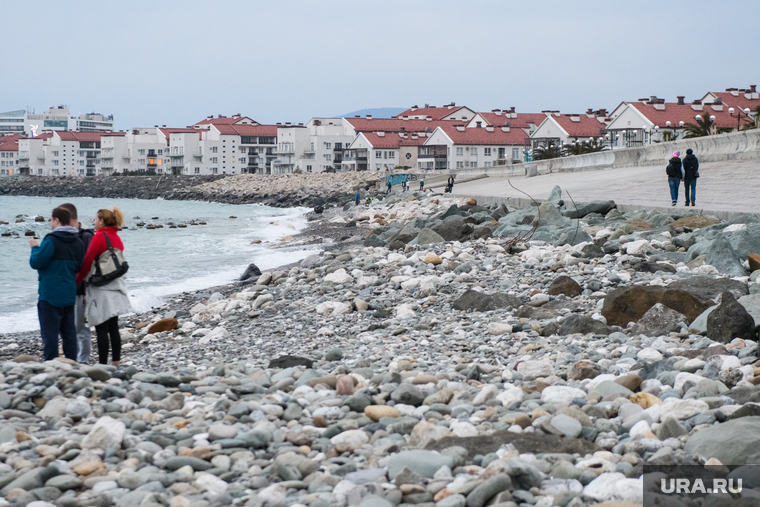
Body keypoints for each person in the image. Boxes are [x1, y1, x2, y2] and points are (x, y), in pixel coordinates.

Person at [75, 207, 132, 367]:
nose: (94, 221)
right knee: (113, 326)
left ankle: (102, 364)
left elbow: (87, 260)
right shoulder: (117, 237)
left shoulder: (100, 236)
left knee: (101, 327)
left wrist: (78, 281)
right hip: (116, 284)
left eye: (96, 219)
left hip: (101, 286)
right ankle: (115, 362)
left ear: (102, 221)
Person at [29, 207, 84, 361]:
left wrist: (34, 248)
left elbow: (36, 262)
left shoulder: (51, 240)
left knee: (50, 334)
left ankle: (50, 364)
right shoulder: (78, 241)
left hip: (50, 293)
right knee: (69, 333)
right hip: (68, 293)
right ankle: (72, 362)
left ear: (57, 220)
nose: (50, 222)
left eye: (51, 219)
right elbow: (79, 266)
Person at [59, 203, 95, 364]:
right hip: (67, 288)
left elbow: (89, 265)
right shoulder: (66, 235)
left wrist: (88, 289)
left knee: (81, 328)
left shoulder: (85, 236)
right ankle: (72, 358)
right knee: (69, 327)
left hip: (81, 289)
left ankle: (83, 361)